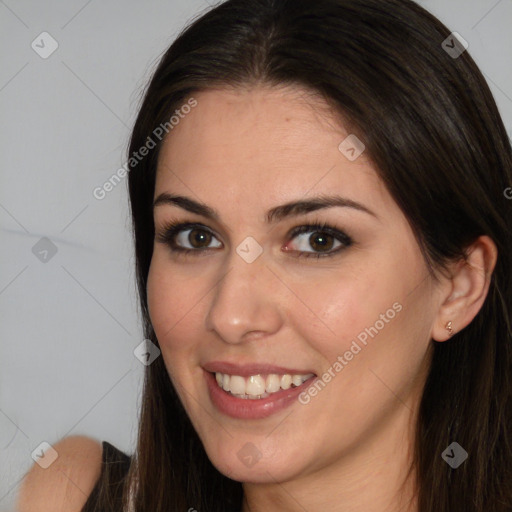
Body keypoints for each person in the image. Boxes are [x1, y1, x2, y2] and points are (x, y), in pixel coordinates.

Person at [18, 0, 512, 510]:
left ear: (459, 285)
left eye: (318, 240)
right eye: (195, 237)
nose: (231, 315)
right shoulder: (69, 494)